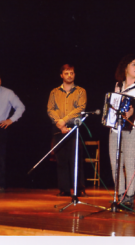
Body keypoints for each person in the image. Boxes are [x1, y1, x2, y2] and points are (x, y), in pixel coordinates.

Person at [108, 54, 135, 209]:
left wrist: (134, 111)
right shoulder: (118, 86)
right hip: (116, 129)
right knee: (115, 163)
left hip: (134, 128)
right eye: (133, 64)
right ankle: (119, 194)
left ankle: (129, 196)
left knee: (129, 162)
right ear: (125, 67)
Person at [47, 64, 87, 197]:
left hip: (74, 127)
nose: (69, 75)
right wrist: (60, 123)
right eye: (67, 73)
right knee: (61, 160)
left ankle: (79, 189)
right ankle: (64, 189)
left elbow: (80, 108)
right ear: (61, 75)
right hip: (59, 128)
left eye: (72, 73)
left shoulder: (81, 91)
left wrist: (64, 120)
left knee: (76, 159)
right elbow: (50, 109)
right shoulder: (54, 92)